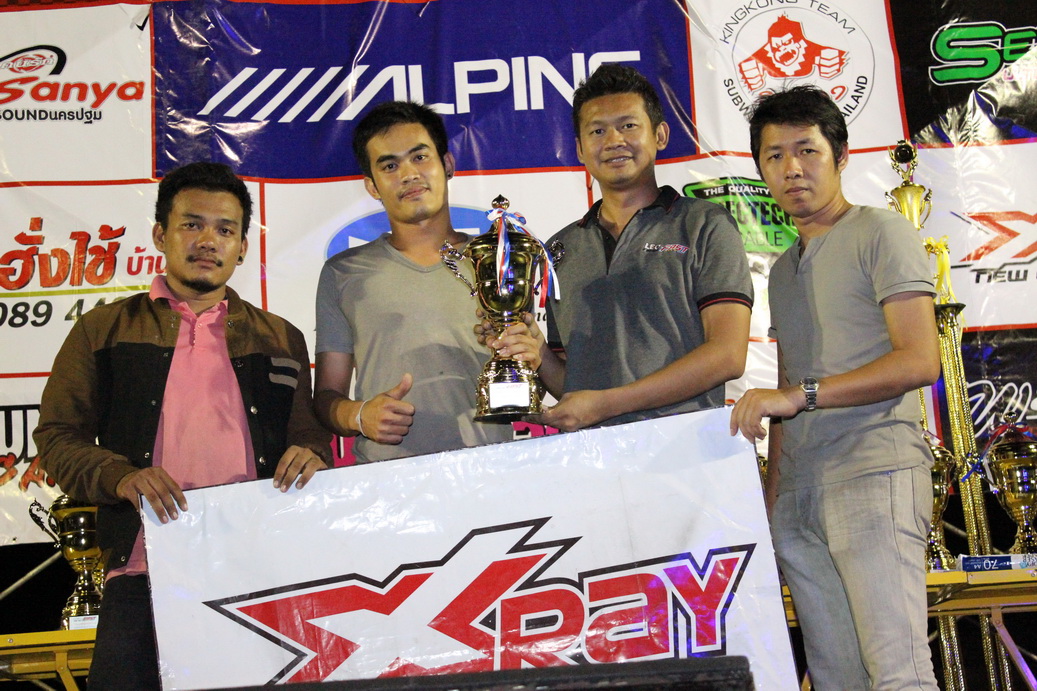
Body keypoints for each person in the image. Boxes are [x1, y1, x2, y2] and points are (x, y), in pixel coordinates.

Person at [33, 162, 332, 690]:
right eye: (192, 224)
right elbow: (57, 436)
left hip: (258, 568)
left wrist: (313, 453)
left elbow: (307, 435)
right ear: (160, 235)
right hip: (144, 570)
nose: (208, 241)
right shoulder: (103, 329)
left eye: (225, 229)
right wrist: (121, 476)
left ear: (242, 247)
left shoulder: (281, 337)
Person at [729, 85, 940, 690]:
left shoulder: (882, 231)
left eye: (807, 150)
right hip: (799, 496)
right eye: (774, 156)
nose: (792, 168)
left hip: (875, 472)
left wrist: (803, 394)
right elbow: (785, 386)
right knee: (836, 679)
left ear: (840, 156)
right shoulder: (784, 269)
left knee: (898, 673)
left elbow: (920, 359)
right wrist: (773, 504)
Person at [486, 64, 752, 431]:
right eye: (597, 131)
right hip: (596, 455)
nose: (613, 140)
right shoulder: (559, 249)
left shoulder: (704, 225)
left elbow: (728, 355)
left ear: (660, 135)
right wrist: (538, 352)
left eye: (628, 125)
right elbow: (572, 386)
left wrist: (606, 404)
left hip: (686, 448)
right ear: (580, 149)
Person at [314, 101, 514, 463]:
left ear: (447, 164)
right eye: (390, 166)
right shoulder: (343, 273)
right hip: (387, 479)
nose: (408, 174)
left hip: (491, 471)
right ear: (372, 186)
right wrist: (359, 415)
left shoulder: (497, 261)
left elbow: (537, 372)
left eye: (419, 157)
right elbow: (327, 397)